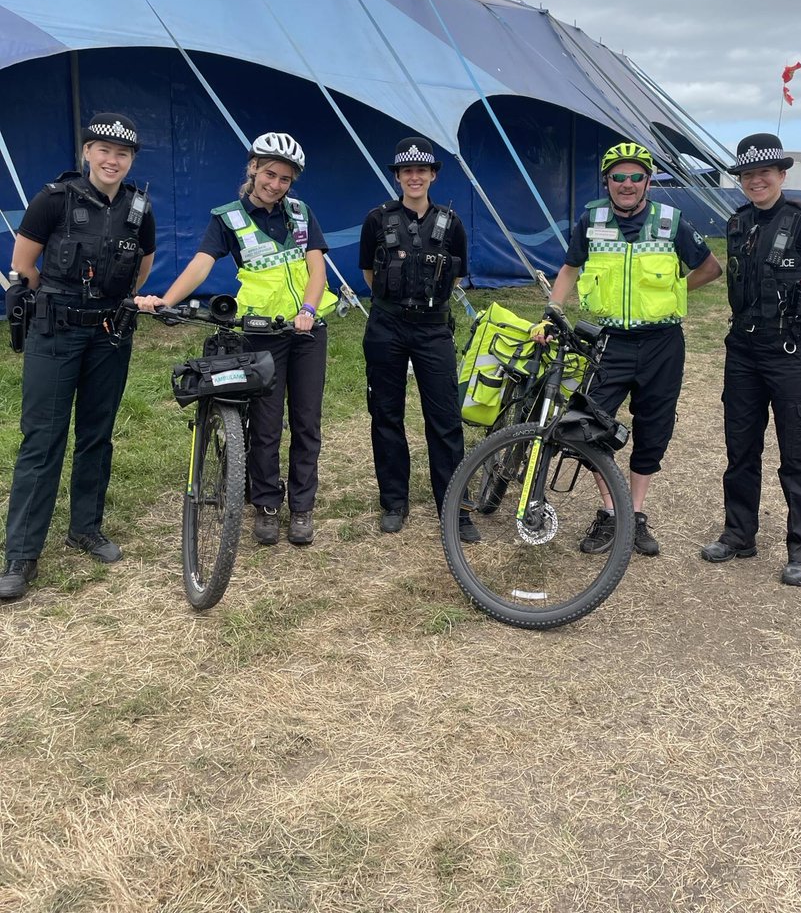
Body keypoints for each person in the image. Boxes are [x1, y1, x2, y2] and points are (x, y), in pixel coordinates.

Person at [136, 132, 336, 547]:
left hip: (306, 331)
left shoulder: (301, 213)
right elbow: (201, 264)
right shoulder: (228, 218)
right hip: (261, 333)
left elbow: (318, 270)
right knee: (264, 424)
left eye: (284, 179)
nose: (275, 184)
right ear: (253, 170)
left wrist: (309, 311)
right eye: (269, 174)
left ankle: (302, 508)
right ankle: (265, 504)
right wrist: (166, 301)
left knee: (306, 422)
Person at [0, 115, 156, 601]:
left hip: (109, 336)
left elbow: (141, 270)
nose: (112, 160)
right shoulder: (53, 200)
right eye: (103, 150)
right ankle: (21, 553)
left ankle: (85, 527)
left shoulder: (139, 208)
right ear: (87, 152)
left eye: (123, 153)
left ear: (131, 161)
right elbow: (23, 267)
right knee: (43, 439)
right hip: (55, 332)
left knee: (96, 434)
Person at [543, 141, 722, 556]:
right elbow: (569, 269)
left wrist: (676, 289)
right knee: (590, 426)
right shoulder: (592, 219)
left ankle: (635, 514)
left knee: (653, 429)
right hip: (609, 341)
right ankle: (610, 511)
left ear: (648, 182)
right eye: (618, 177)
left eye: (636, 176)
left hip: (662, 343)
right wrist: (552, 309)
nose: (627, 184)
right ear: (607, 181)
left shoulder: (671, 222)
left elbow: (710, 268)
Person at [701, 133, 801, 586]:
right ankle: (739, 534)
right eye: (747, 174)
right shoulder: (738, 222)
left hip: (791, 356)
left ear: (781, 174)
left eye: (764, 172)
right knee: (740, 448)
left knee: (798, 455)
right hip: (743, 353)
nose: (756, 181)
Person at [359, 136, 478, 542]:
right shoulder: (377, 219)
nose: (414, 177)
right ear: (397, 175)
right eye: (407, 170)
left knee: (444, 419)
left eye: (422, 170)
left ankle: (453, 507)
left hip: (433, 329)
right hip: (387, 326)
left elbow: (456, 276)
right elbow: (369, 276)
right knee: (386, 414)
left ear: (432, 175)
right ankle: (395, 501)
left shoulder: (451, 222)